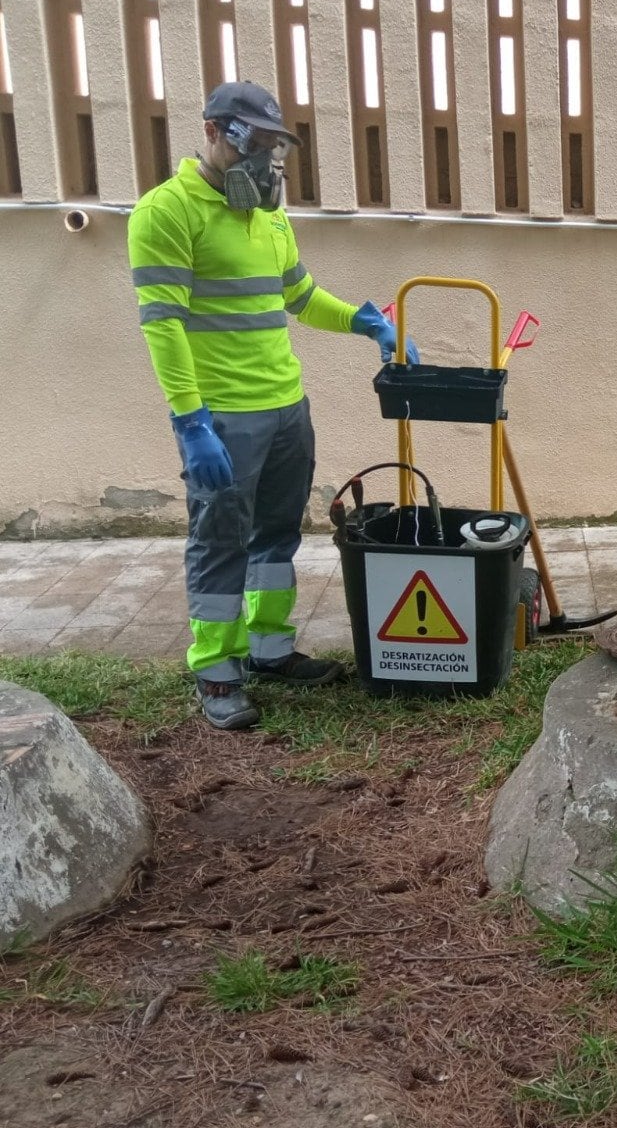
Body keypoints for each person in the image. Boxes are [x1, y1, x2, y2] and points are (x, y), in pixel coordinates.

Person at [127, 81, 420, 731]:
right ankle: (215, 667)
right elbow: (163, 324)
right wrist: (190, 419)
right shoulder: (166, 212)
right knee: (220, 541)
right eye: (253, 143)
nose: (265, 160)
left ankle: (268, 649)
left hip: (287, 406)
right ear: (212, 130)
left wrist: (366, 322)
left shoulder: (268, 214)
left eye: (273, 145)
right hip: (223, 419)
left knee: (275, 537)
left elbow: (300, 296)